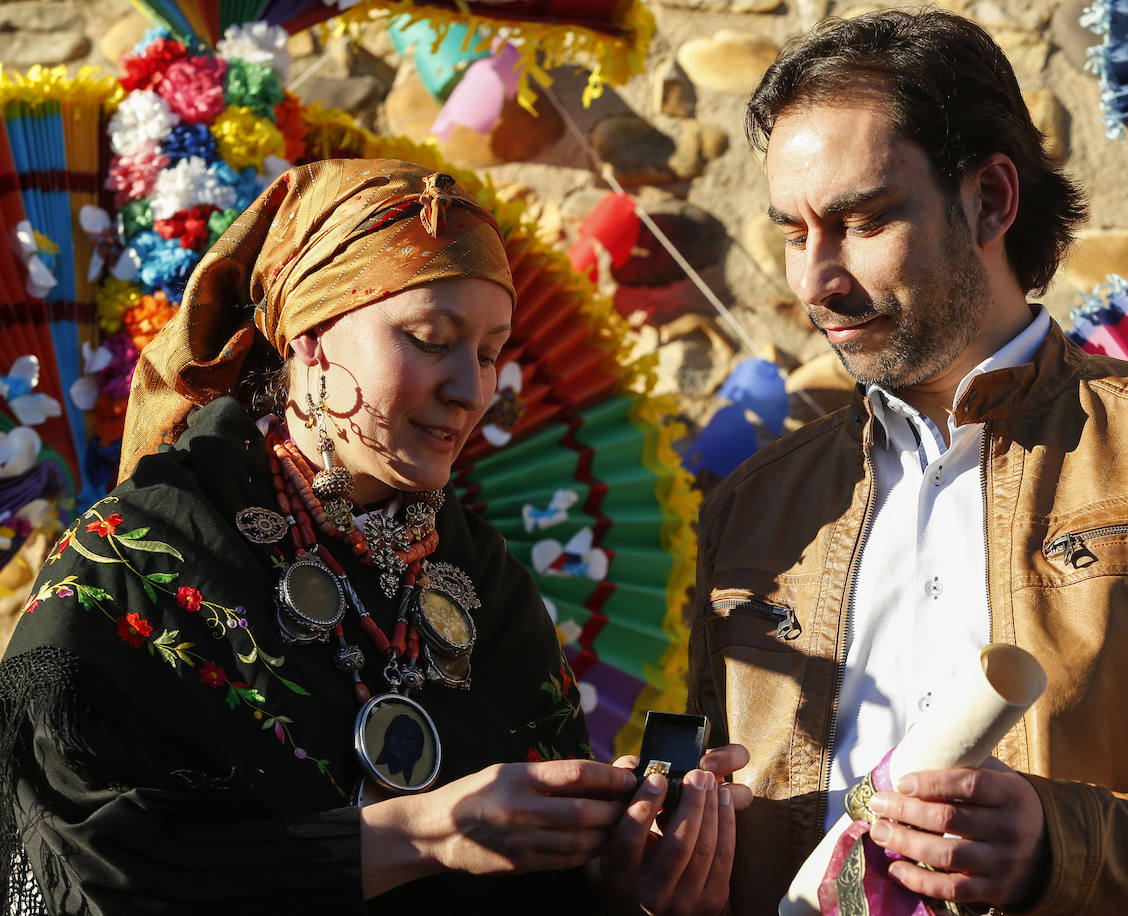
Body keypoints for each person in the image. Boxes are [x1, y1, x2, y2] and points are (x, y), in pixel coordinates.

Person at [686, 10, 1128, 915]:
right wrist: (664, 846)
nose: (817, 281)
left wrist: (1061, 844)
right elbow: (710, 812)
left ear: (991, 201)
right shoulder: (753, 509)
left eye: (862, 220)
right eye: (794, 232)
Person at [1, 158, 748, 915]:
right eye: (430, 338)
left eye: (490, 353)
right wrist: (413, 837)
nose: (470, 390)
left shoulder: (479, 575)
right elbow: (80, 865)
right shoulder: (140, 556)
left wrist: (617, 857)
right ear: (310, 338)